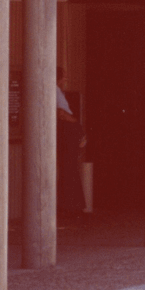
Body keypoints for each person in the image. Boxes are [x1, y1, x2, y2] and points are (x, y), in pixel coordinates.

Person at [56, 67, 86, 221]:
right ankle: (72, 207)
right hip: (67, 130)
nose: (65, 79)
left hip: (65, 131)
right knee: (70, 168)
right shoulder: (55, 91)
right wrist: (76, 124)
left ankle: (67, 206)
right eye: (64, 77)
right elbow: (61, 113)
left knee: (68, 168)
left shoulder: (56, 91)